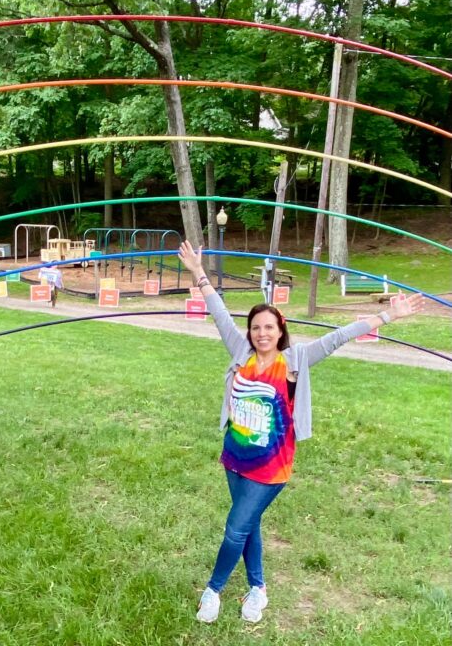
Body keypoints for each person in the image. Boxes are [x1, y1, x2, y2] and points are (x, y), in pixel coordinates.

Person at [178, 241, 425, 624]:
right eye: (256, 327)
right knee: (249, 525)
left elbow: (338, 336)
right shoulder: (239, 353)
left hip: (271, 469)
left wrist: (387, 316)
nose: (261, 333)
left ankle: (213, 591)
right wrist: (198, 270)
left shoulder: (295, 360)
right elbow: (218, 310)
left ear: (280, 331)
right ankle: (258, 589)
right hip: (235, 459)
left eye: (269, 327)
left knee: (234, 530)